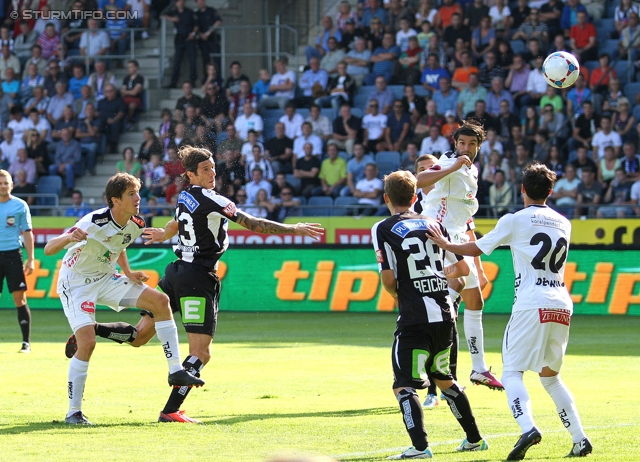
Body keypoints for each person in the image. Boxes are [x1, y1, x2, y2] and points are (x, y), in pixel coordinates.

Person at [66, 147, 323, 423]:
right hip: (198, 278)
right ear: (190, 174)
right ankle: (171, 410)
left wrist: (166, 232)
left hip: (176, 273)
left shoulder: (185, 195)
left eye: (213, 167)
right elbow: (254, 224)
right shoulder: (214, 199)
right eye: (205, 170)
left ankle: (92, 330)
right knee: (201, 352)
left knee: (140, 337)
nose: (212, 173)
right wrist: (293, 228)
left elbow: (177, 221)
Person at [426, 162, 593, 460]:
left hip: (532, 303)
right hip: (561, 304)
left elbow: (476, 248)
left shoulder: (514, 220)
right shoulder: (563, 222)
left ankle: (528, 427)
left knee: (512, 372)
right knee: (551, 378)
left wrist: (444, 242)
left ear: (522, 190)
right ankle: (580, 439)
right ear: (551, 191)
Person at [47, 173, 204, 425]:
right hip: (76, 283)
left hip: (107, 278)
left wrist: (129, 273)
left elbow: (117, 247)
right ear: (115, 200)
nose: (138, 198)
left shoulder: (136, 224)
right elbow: (49, 248)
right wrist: (68, 237)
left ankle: (176, 371)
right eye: (131, 194)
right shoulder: (93, 221)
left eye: (138, 193)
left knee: (161, 302)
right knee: (87, 343)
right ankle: (73, 412)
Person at [371, 170, 488, 459]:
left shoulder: (382, 228)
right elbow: (462, 270)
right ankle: (474, 439)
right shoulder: (434, 224)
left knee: (403, 386)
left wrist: (401, 293)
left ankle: (420, 448)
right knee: (445, 379)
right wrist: (435, 274)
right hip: (445, 315)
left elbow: (388, 279)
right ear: (415, 197)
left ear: (386, 198)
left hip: (414, 318)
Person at [416, 119, 503, 390]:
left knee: (475, 301)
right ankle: (440, 314)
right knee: (459, 280)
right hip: (439, 231)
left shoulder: (472, 169)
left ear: (479, 146)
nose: (466, 147)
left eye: (472, 143)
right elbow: (419, 179)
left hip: (457, 234)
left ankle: (478, 369)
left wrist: (478, 261)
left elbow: (466, 219)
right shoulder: (449, 160)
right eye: (462, 142)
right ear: (455, 143)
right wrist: (452, 166)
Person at [0, 169, 34, 353]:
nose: (3, 186)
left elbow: (28, 233)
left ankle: (26, 343)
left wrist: (31, 259)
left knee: (19, 299)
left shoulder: (20, 206)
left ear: (12, 185)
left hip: (13, 255)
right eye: (0, 183)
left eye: (6, 183)